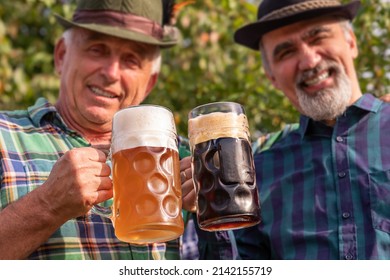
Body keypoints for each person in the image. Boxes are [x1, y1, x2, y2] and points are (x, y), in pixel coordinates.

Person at [0, 0, 235, 260]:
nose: (111, 73)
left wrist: (214, 211)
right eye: (97, 49)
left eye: (131, 60)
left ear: (149, 83)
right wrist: (47, 205)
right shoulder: (4, 136)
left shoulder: (182, 156)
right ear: (61, 56)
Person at [226, 0, 390, 259]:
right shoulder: (258, 173)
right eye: (286, 52)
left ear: (351, 43)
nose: (309, 60)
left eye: (318, 37)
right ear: (272, 78)